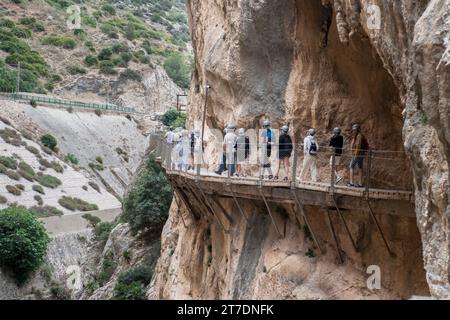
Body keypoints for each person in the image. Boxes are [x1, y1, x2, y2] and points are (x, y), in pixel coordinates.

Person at [348, 123, 369, 188]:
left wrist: (355, 155)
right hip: (361, 154)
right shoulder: (358, 136)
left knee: (351, 166)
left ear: (358, 130)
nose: (354, 131)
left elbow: (358, 146)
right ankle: (360, 183)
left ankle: (351, 183)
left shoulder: (359, 136)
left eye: (355, 130)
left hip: (358, 154)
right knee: (360, 168)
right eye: (353, 130)